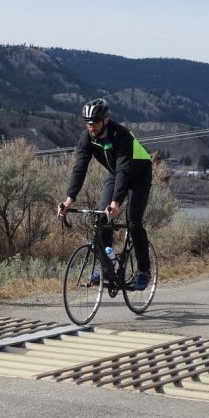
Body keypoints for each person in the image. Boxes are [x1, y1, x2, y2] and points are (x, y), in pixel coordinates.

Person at [58, 98, 153, 289]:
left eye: (94, 123)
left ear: (105, 120)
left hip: (138, 174)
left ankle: (143, 270)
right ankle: (107, 267)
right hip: (115, 173)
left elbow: (125, 170)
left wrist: (116, 202)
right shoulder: (86, 138)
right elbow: (80, 168)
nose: (90, 127)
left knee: (133, 222)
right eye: (87, 123)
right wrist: (69, 200)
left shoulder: (121, 135)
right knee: (102, 217)